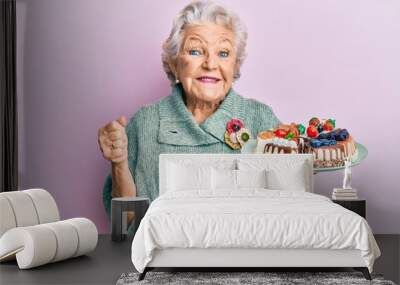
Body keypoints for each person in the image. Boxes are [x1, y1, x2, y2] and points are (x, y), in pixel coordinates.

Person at [98, 1, 281, 218]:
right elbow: (126, 222)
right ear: (174, 63)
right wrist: (118, 163)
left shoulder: (260, 119)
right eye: (195, 51)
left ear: (236, 65)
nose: (211, 64)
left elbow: (283, 211)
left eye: (223, 53)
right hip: (162, 252)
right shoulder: (145, 122)